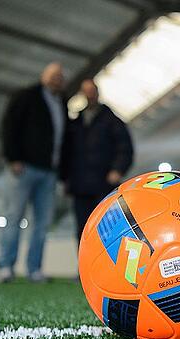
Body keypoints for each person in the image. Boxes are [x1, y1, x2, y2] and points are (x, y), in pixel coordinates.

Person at [0, 62, 68, 283]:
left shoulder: (62, 103)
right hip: (24, 167)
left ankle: (34, 269)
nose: (57, 79)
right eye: (53, 75)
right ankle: (5, 267)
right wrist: (13, 157)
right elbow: (9, 125)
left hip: (49, 172)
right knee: (13, 216)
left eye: (60, 77)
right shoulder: (26, 96)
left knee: (42, 223)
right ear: (43, 75)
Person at [61, 79, 134, 242]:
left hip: (103, 184)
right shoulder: (76, 122)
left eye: (92, 91)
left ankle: (107, 265)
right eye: (85, 91)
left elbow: (125, 148)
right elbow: (67, 152)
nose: (89, 95)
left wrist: (117, 170)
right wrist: (66, 178)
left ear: (97, 93)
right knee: (82, 229)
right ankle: (84, 266)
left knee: (106, 226)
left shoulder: (112, 121)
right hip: (79, 185)